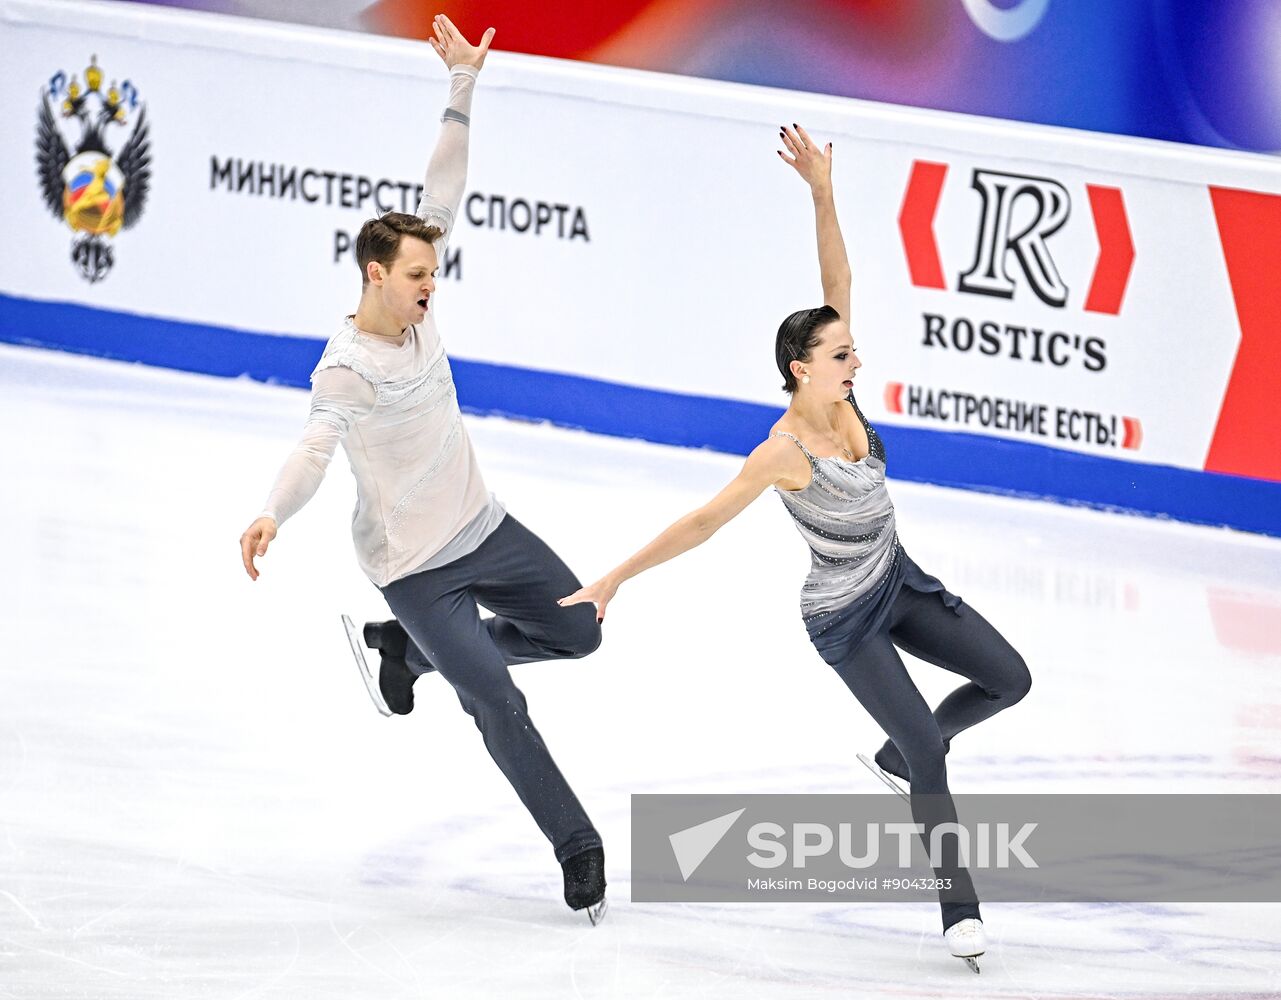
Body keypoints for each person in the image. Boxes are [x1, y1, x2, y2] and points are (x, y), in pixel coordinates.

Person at [559, 125, 1032, 964]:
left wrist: (821, 189)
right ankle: (957, 905)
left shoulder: (844, 401)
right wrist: (615, 577)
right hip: (844, 616)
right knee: (931, 750)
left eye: (851, 350)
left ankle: (898, 754)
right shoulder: (780, 453)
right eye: (841, 354)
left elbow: (836, 280)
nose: (856, 360)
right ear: (800, 367)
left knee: (1008, 679)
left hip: (899, 581)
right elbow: (702, 521)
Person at [238, 15, 607, 925]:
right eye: (416, 276)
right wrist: (272, 512)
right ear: (375, 275)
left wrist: (462, 85)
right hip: (414, 567)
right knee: (498, 702)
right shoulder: (346, 368)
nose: (430, 285)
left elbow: (442, 187)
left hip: (486, 527)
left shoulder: (419, 309)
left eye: (432, 273)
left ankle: (408, 655)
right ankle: (576, 844)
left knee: (580, 632)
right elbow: (313, 450)